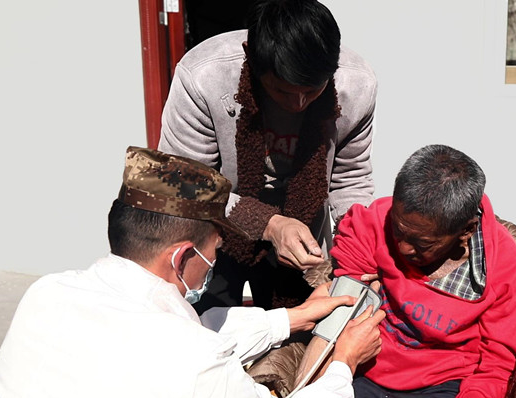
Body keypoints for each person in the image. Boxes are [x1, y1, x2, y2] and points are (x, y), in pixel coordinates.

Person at [0, 146, 385, 398]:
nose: (214, 261)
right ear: (181, 257)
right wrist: (343, 362)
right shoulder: (193, 363)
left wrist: (293, 317)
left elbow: (175, 336)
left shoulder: (47, 294)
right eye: (215, 250)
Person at [158, 0, 378, 314]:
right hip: (213, 231)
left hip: (302, 237)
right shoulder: (204, 76)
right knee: (205, 323)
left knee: (299, 328)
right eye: (283, 91)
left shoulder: (356, 86)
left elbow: (350, 180)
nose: (298, 104)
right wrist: (270, 224)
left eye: (312, 91)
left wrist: (360, 251)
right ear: (252, 60)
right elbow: (183, 182)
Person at [329, 145, 516, 398]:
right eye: (398, 231)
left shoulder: (501, 263)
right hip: (366, 370)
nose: (403, 248)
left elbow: (497, 361)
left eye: (422, 243)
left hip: (445, 387)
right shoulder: (375, 221)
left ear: (466, 230)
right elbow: (345, 299)